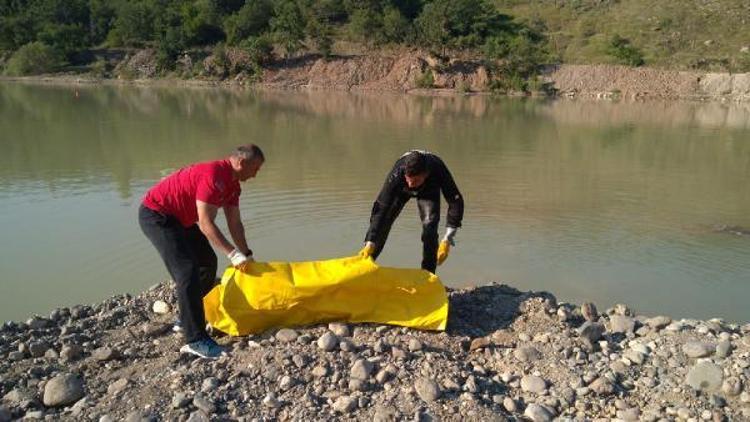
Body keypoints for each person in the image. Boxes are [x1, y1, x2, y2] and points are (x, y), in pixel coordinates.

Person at [138, 144, 264, 359]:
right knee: (186, 272)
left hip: (181, 219)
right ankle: (195, 340)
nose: (255, 174)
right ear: (241, 163)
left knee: (206, 262)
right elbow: (206, 224)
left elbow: (234, 222)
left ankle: (189, 318)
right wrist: (233, 254)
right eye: (255, 168)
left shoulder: (233, 185)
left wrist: (246, 253)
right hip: (158, 216)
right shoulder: (214, 176)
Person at [359, 150, 464, 273]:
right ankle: (365, 267)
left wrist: (448, 238)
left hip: (428, 190)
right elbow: (381, 207)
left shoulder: (437, 169)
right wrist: (370, 239)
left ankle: (428, 274)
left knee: (430, 228)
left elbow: (455, 201)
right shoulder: (398, 173)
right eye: (408, 179)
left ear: (425, 175)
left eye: (414, 181)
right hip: (400, 190)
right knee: (383, 223)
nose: (410, 184)